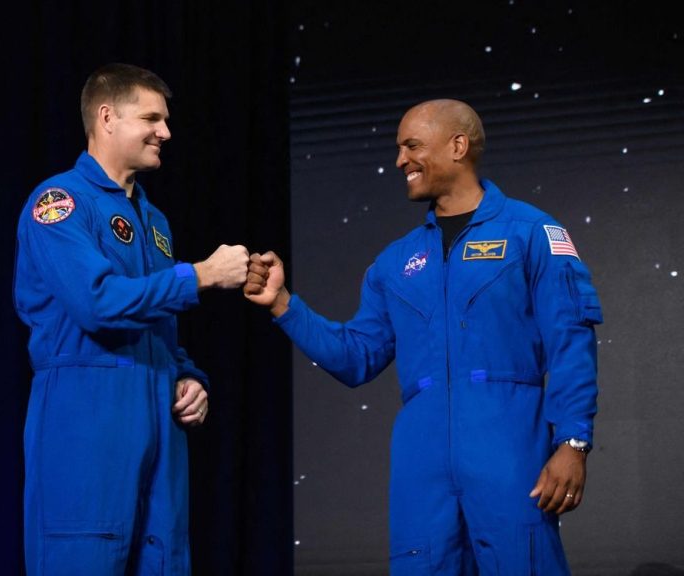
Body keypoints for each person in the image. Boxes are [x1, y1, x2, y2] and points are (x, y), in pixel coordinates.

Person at [244, 99, 603, 574]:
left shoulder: (531, 233)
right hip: (422, 462)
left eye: (411, 145)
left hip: (509, 450)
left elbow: (571, 340)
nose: (399, 161)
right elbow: (356, 357)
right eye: (398, 149)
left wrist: (573, 442)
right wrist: (283, 304)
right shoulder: (395, 263)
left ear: (457, 146)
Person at [13, 62, 249, 576]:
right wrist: (201, 275)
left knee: (163, 558)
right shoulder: (59, 203)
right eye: (152, 118)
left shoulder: (154, 219)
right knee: (83, 555)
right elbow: (97, 303)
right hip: (86, 410)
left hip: (157, 411)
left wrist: (188, 376)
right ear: (107, 117)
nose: (166, 132)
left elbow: (154, 321)